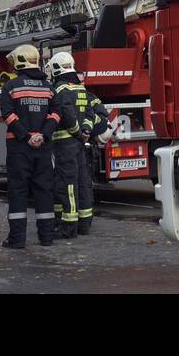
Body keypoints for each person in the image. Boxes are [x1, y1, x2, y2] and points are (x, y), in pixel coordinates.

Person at [0, 45, 76, 249]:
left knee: (18, 191)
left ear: (20, 61)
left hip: (18, 148)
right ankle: (46, 237)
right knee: (44, 191)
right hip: (43, 148)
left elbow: (8, 115)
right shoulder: (48, 87)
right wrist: (43, 135)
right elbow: (56, 114)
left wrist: (26, 137)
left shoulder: (11, 86)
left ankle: (17, 239)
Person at [49, 51, 112, 238]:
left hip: (65, 144)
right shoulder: (81, 89)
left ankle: (68, 227)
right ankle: (85, 224)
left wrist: (77, 132)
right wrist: (85, 132)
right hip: (80, 145)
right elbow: (90, 115)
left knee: (67, 184)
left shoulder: (60, 89)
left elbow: (67, 114)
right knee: (83, 183)